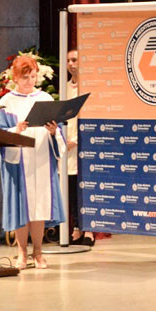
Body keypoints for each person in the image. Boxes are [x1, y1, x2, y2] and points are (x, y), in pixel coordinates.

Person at [0, 55, 67, 269]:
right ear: (15, 77)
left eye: (33, 76)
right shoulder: (6, 102)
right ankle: (21, 253)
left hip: (42, 159)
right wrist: (16, 130)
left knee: (39, 206)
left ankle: (38, 252)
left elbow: (59, 129)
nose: (30, 81)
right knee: (22, 207)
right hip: (19, 161)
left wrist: (54, 132)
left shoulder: (45, 98)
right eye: (25, 77)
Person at [63, 49, 93, 246]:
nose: (71, 64)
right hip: (68, 146)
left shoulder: (89, 87)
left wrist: (77, 139)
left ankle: (89, 229)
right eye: (68, 61)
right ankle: (76, 229)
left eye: (74, 60)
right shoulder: (64, 88)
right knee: (72, 189)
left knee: (87, 188)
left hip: (84, 144)